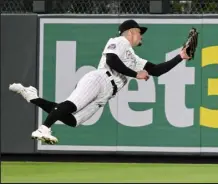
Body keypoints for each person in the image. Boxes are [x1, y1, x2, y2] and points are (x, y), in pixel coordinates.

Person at [9, 19, 191, 144]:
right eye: (139, 32)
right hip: (100, 79)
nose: (141, 36)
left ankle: (32, 97)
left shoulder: (134, 58)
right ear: (130, 32)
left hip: (105, 95)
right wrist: (136, 75)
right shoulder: (119, 41)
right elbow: (111, 61)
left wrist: (180, 56)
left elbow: (157, 70)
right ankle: (43, 128)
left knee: (72, 120)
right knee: (71, 105)